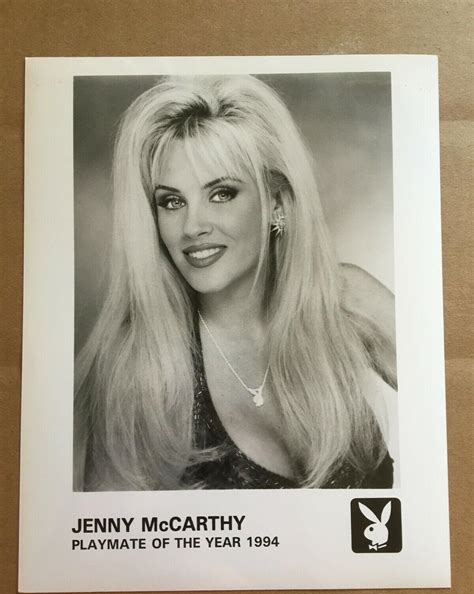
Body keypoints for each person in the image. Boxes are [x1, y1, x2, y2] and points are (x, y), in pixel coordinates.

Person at [74, 75, 397, 492]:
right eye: (172, 201)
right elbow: (103, 532)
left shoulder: (348, 302)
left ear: (276, 203)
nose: (192, 226)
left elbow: (454, 404)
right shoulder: (140, 369)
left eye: (221, 194)